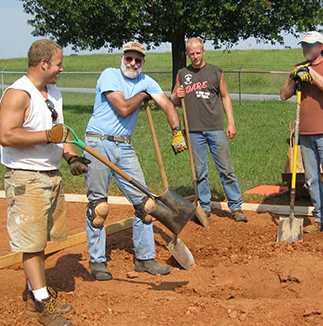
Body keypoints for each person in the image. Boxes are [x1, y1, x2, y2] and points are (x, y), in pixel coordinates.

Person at [0, 39, 89, 326]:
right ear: (43, 64)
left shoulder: (54, 93)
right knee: (32, 244)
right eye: (59, 63)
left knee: (42, 240)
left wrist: (70, 155)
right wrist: (47, 136)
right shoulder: (17, 94)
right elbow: (7, 136)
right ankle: (42, 304)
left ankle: (32, 295)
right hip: (26, 178)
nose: (62, 68)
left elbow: (58, 133)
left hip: (50, 175)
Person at [84, 41, 187, 280]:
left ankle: (145, 258)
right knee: (99, 207)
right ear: (122, 57)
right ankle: (97, 261)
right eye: (129, 58)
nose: (133, 63)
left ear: (143, 63)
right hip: (98, 142)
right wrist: (143, 94)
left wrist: (176, 131)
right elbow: (123, 108)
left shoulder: (148, 81)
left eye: (138, 60)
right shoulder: (109, 75)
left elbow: (168, 105)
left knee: (146, 205)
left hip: (125, 146)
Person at [170, 37, 247, 223]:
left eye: (198, 53)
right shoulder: (182, 74)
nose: (195, 57)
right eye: (192, 54)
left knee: (226, 169)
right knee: (199, 172)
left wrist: (231, 122)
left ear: (203, 52)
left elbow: (226, 97)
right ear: (187, 54)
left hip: (215, 128)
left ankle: (236, 206)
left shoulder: (215, 71)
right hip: (193, 130)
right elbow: (173, 101)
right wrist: (176, 96)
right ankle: (204, 207)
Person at [279, 31, 323, 241]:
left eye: (310, 45)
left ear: (321, 47)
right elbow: (283, 95)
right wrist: (294, 77)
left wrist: (311, 74)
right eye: (304, 45)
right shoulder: (298, 69)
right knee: (311, 180)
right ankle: (319, 219)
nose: (306, 49)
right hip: (304, 132)